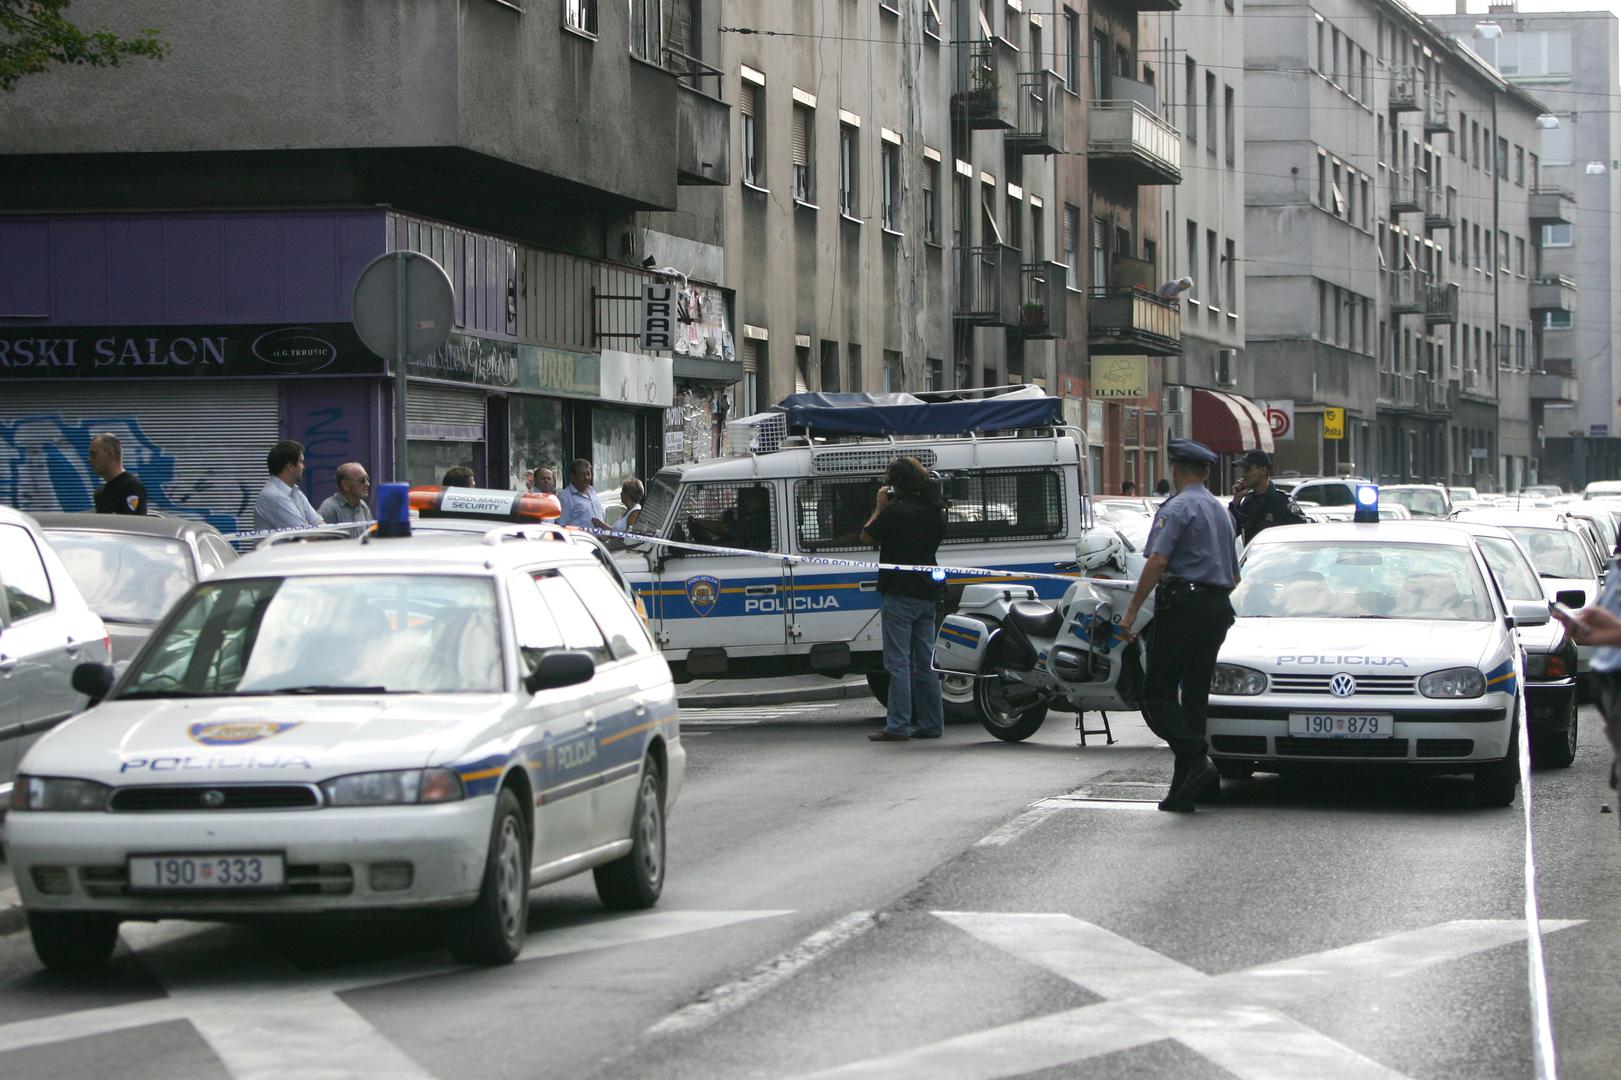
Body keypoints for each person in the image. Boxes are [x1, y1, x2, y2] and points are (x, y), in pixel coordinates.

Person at [1117, 438, 1238, 812]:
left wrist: (1132, 611)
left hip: (1184, 605)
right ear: (1204, 471)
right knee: (1195, 697)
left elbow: (1156, 561)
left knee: (1157, 694)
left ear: (1175, 470)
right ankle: (1190, 786)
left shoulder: (1179, 506)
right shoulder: (1220, 510)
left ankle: (1195, 755)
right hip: (1217, 606)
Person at [861, 457, 946, 742]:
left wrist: (880, 507)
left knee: (897, 663)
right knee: (926, 662)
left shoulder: (895, 513)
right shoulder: (934, 510)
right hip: (928, 593)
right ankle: (931, 723)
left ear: (895, 483)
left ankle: (897, 725)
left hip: (900, 593)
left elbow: (866, 536)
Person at [1228, 449, 1307, 545]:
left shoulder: (1281, 501)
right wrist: (1236, 501)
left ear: (1263, 470)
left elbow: (1302, 534)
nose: (1243, 474)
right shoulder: (1247, 502)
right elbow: (1229, 533)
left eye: (1248, 469)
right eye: (1243, 470)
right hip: (1254, 558)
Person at [253, 439, 323, 531]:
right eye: (301, 462)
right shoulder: (275, 497)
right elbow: (303, 534)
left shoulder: (295, 491)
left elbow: (318, 523)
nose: (304, 467)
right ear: (290, 466)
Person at [87, 432, 147, 515]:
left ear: (109, 454)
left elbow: (134, 524)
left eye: (94, 454)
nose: (89, 460)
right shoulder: (101, 493)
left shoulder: (131, 487)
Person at [559, 458, 608, 530]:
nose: (586, 478)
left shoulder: (592, 491)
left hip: (597, 540)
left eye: (588, 474)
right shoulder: (565, 497)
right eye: (582, 474)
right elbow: (561, 526)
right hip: (578, 540)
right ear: (572, 476)